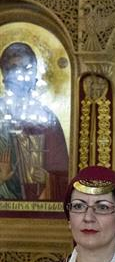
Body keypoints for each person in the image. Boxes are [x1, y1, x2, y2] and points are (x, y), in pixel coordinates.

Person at [0, 42, 69, 200]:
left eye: (27, 68)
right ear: (5, 75)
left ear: (34, 75)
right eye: (13, 68)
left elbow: (64, 175)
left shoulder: (47, 120)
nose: (20, 77)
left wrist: (47, 178)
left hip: (37, 209)